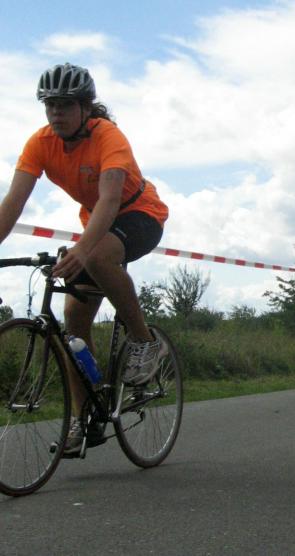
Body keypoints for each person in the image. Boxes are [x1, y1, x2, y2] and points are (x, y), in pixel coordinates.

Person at [0, 63, 169, 453]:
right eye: (50, 105)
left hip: (139, 213)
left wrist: (81, 249)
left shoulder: (108, 136)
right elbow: (13, 203)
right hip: (96, 224)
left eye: (64, 105)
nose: (56, 113)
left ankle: (145, 341)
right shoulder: (40, 143)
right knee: (73, 328)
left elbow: (110, 200)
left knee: (94, 257)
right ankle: (84, 417)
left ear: (85, 107)